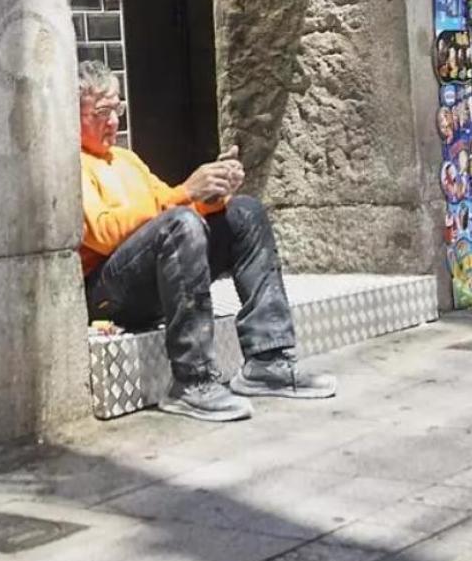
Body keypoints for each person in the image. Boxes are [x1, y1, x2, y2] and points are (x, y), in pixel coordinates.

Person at [77, 60, 336, 423]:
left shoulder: (125, 159)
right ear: (74, 116)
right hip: (109, 294)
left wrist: (212, 194)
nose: (113, 122)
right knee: (180, 223)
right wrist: (186, 194)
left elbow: (167, 203)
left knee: (245, 213)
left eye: (117, 109)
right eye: (101, 112)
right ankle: (193, 382)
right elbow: (104, 233)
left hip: (154, 275)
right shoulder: (71, 165)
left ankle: (269, 359)